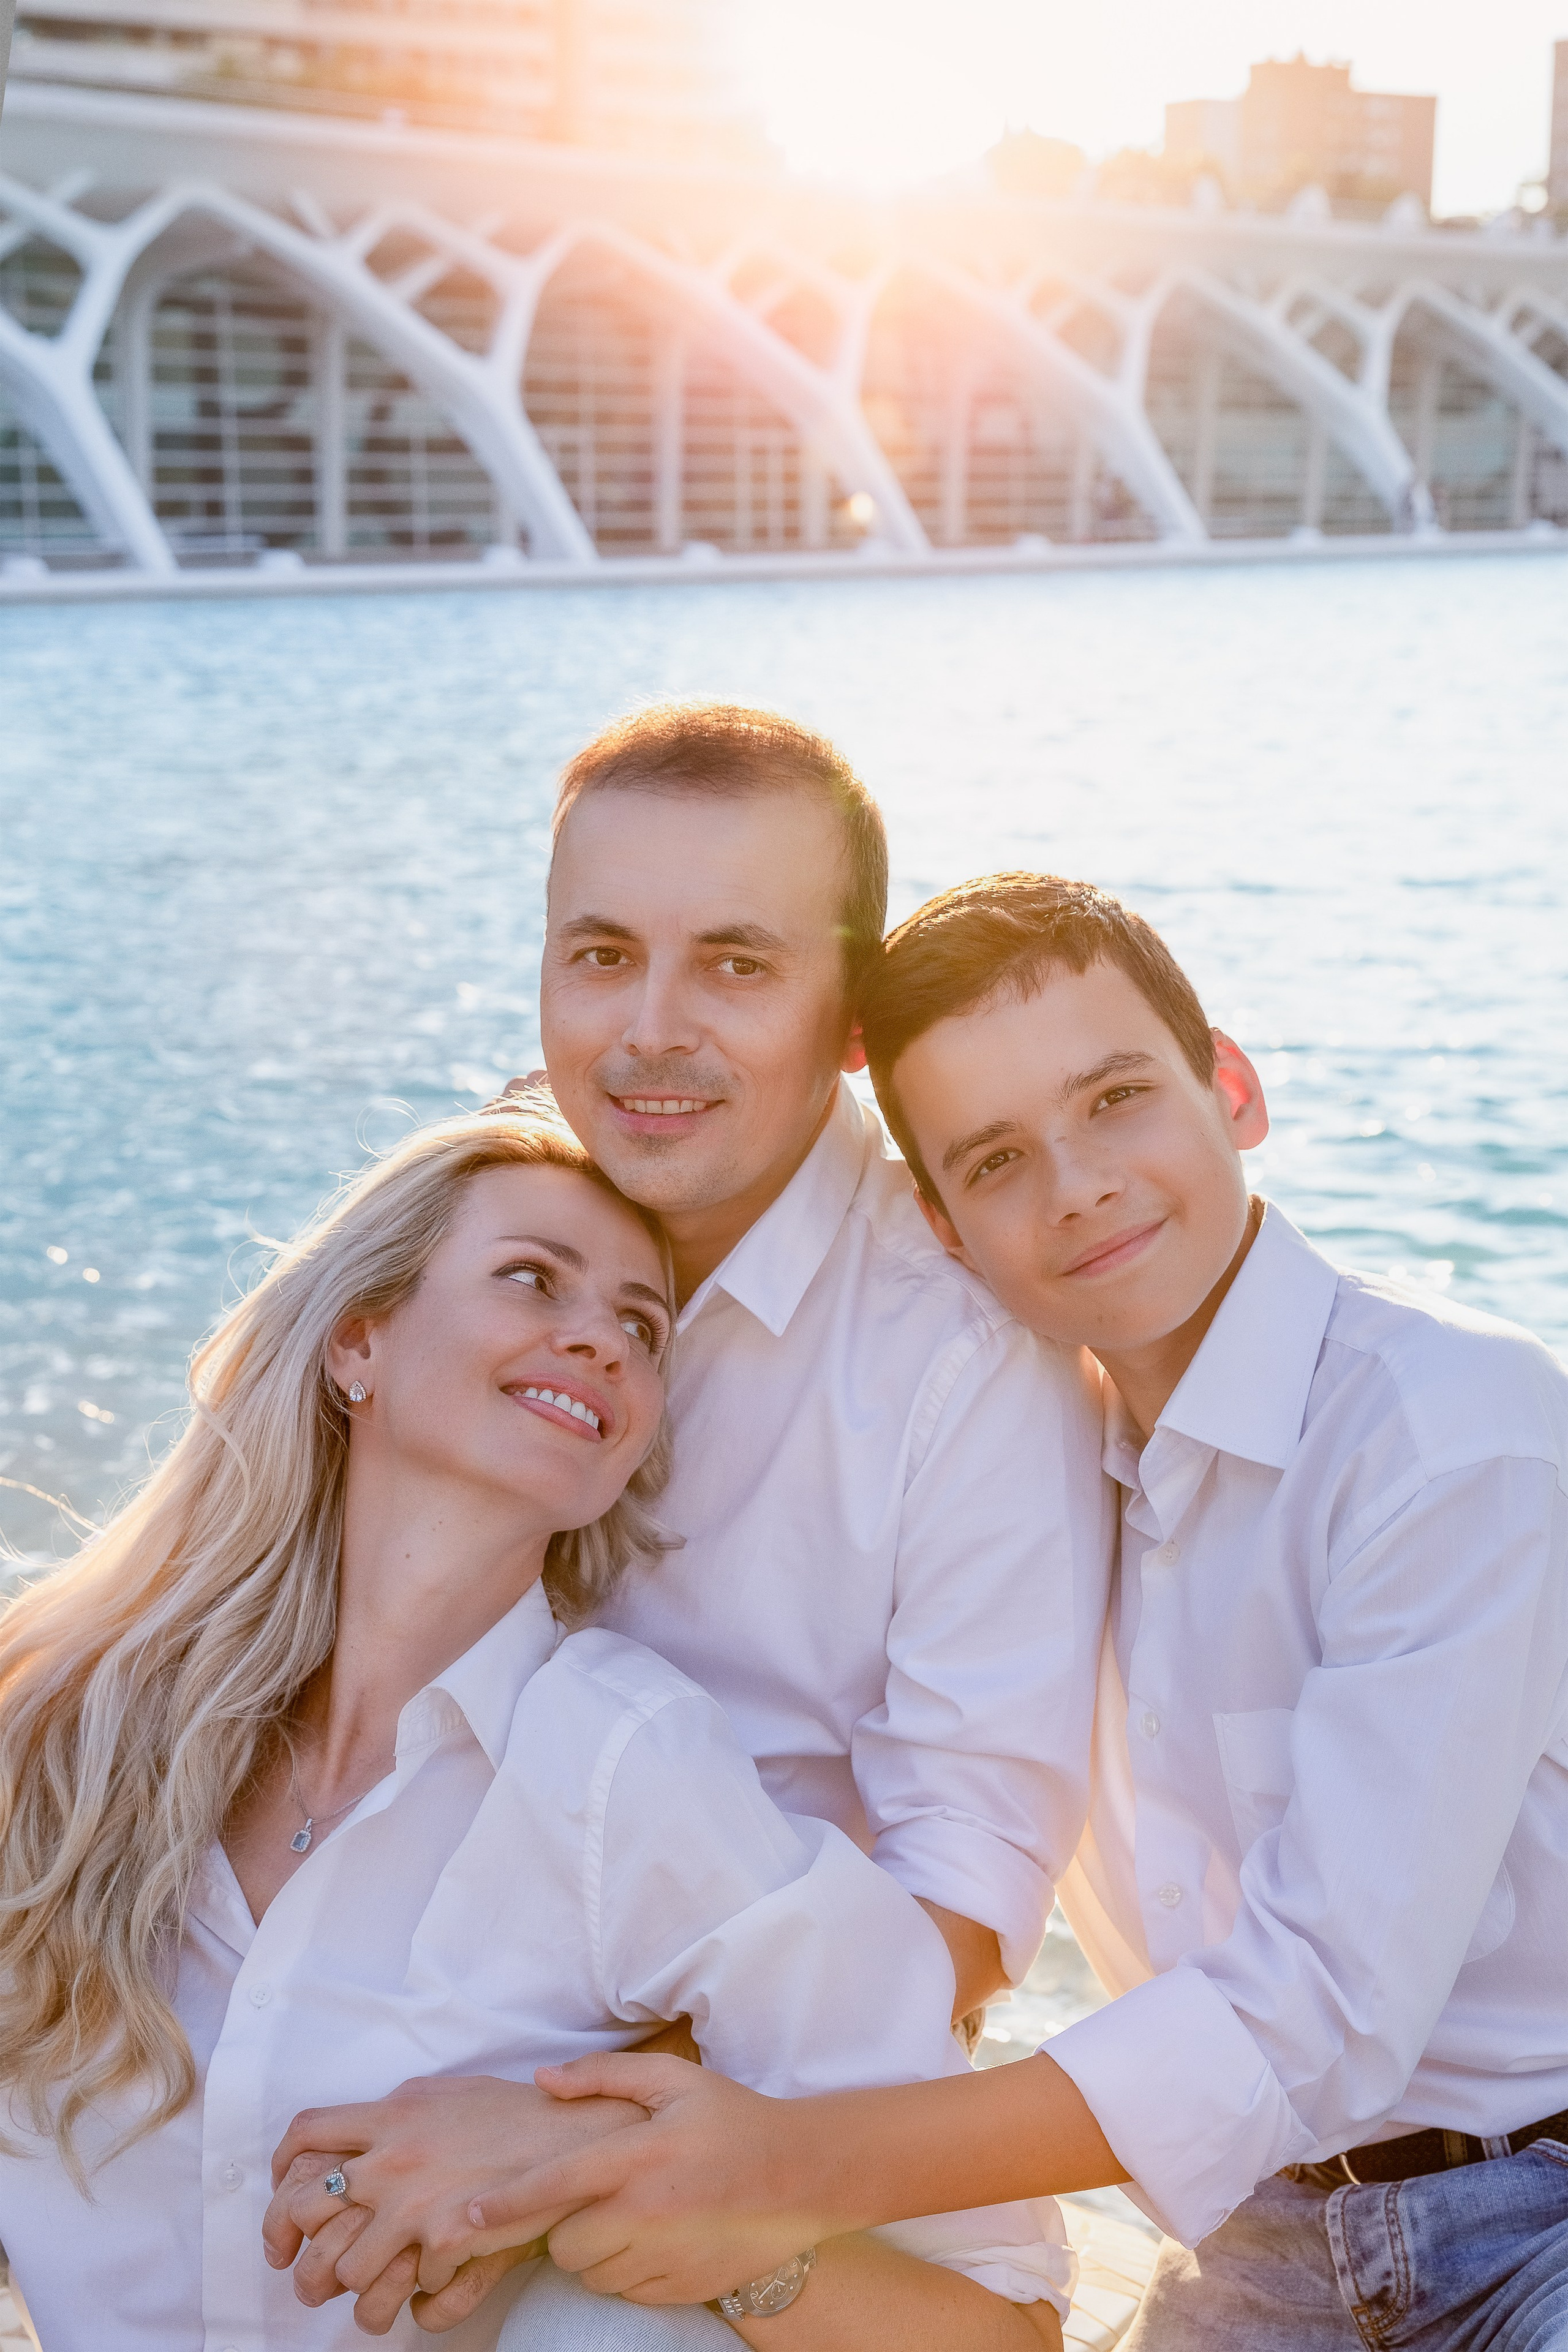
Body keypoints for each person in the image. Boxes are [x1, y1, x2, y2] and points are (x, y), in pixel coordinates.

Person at [456, 875, 1568, 2352]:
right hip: (1255, 2238)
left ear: (1227, 1087)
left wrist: (774, 2176)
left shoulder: (1448, 1434)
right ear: (940, 1218)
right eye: (994, 1160)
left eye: (1115, 1100)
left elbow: (1317, 2007)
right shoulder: (1021, 1456)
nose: (1077, 1187)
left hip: (1537, 2206)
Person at [268, 707, 1110, 2326]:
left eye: (736, 965)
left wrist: (570, 2122)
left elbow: (967, 1898)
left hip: (752, 2085)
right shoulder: (502, 1207)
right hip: (404, 1989)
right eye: (599, 955)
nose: (647, 1036)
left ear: (849, 1015)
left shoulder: (960, 1355)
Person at [0, 1093, 1073, 2350]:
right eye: (532, 1281)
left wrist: (635, 2206)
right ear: (358, 1341)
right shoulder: (66, 1734)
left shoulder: (626, 1769)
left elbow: (1003, 2315)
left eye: (641, 1323)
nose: (603, 1342)